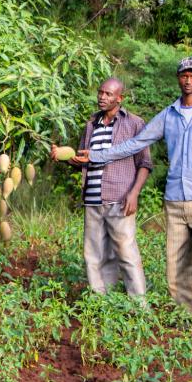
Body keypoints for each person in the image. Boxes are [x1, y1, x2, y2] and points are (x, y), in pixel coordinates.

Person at [76, 58, 192, 336]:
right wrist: (97, 155)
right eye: (183, 75)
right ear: (178, 78)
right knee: (175, 264)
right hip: (174, 198)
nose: (188, 80)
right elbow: (135, 144)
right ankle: (186, 315)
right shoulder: (168, 115)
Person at [52, 77, 151, 297]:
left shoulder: (134, 123)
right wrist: (63, 156)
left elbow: (144, 163)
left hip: (120, 198)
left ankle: (139, 305)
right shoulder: (91, 125)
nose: (102, 97)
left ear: (119, 98)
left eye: (108, 94)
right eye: (100, 92)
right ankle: (101, 301)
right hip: (92, 199)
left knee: (126, 252)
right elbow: (82, 161)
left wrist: (134, 194)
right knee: (94, 255)